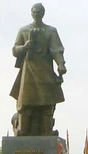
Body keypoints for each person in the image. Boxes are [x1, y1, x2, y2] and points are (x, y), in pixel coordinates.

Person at [10, 3, 66, 136]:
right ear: (31, 13)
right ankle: (22, 130)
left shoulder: (50, 31)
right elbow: (14, 50)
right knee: (26, 102)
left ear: (43, 13)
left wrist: (61, 64)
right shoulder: (23, 30)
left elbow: (57, 50)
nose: (36, 14)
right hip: (28, 70)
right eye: (34, 12)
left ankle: (47, 131)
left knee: (47, 102)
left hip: (45, 69)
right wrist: (24, 47)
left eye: (39, 12)